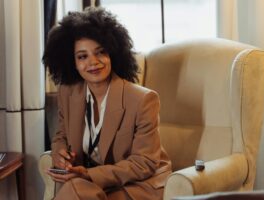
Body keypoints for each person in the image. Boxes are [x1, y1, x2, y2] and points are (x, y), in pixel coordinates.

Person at [42, 7, 172, 200]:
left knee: (77, 190)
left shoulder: (143, 100)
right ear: (73, 63)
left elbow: (143, 163)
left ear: (113, 53)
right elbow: (62, 134)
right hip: (88, 182)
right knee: (78, 189)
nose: (93, 62)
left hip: (136, 183)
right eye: (82, 56)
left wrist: (88, 174)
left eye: (100, 52)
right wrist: (60, 154)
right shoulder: (68, 93)